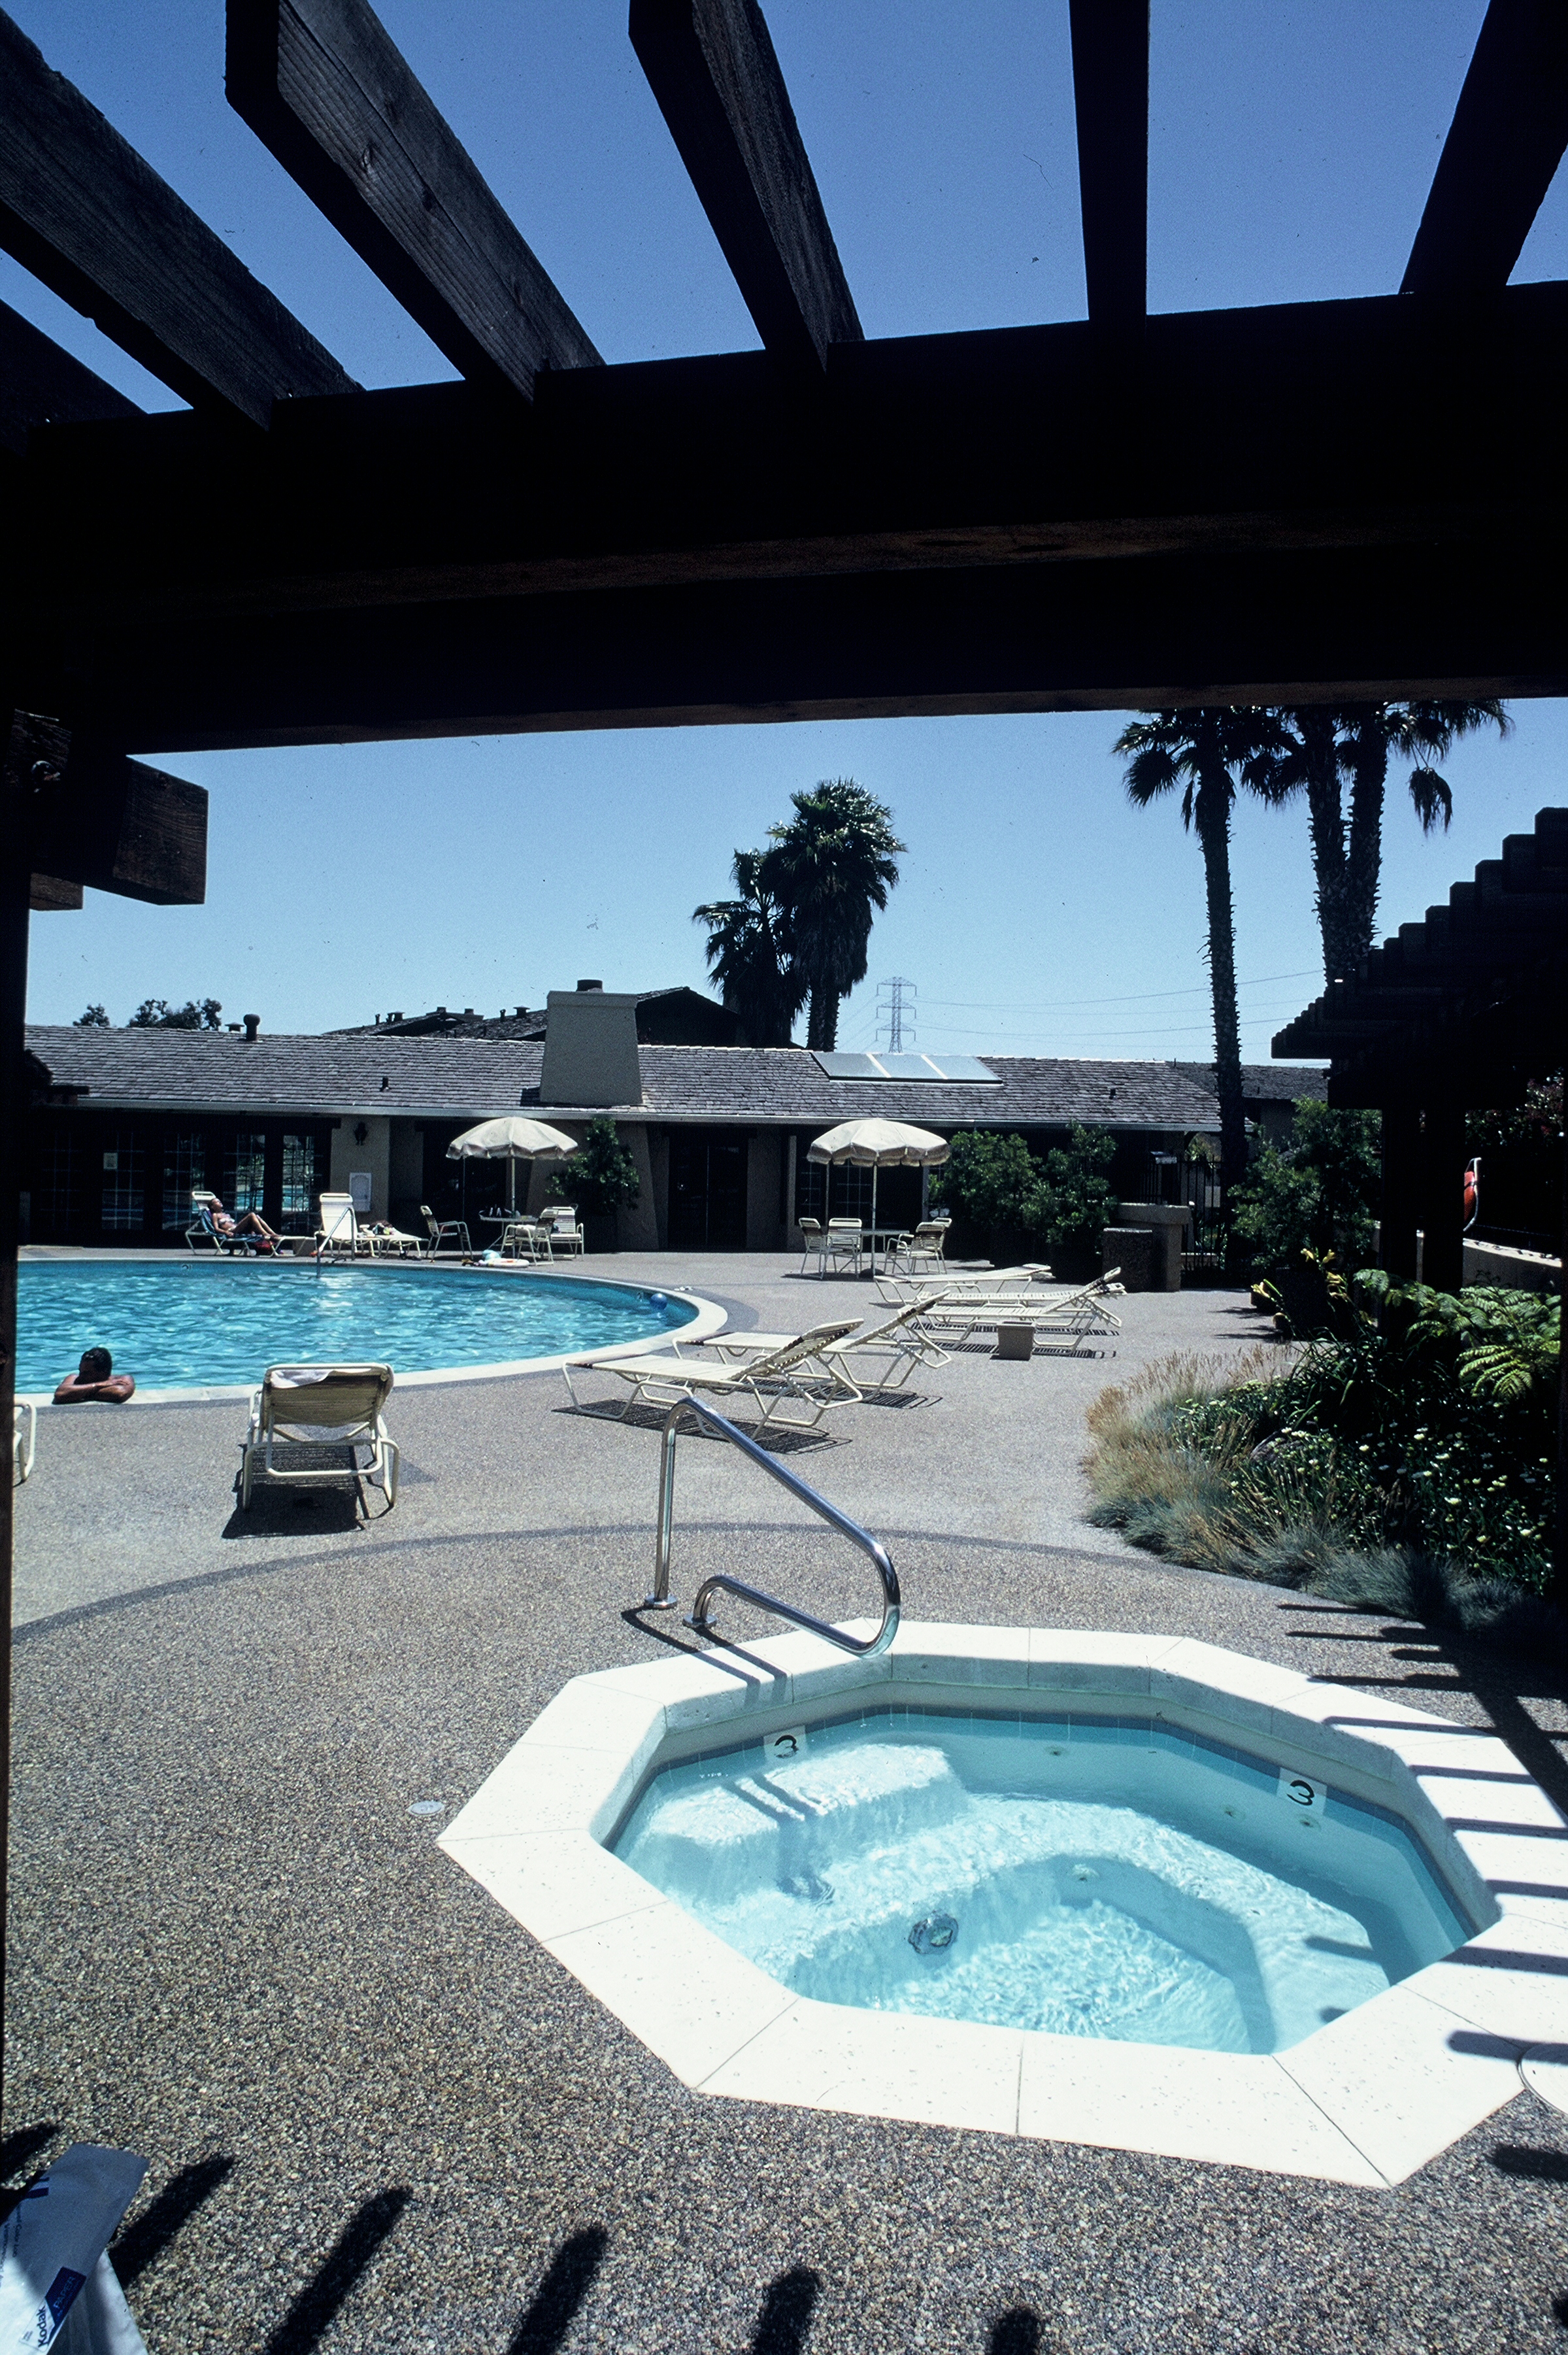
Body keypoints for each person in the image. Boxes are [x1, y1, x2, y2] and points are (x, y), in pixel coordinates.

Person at [54, 1346, 135, 1404]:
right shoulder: (74, 1378)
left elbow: (120, 1393)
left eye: (86, 1373)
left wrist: (75, 1394)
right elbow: (60, 1394)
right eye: (80, 1371)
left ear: (104, 1372)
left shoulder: (123, 1379)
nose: (81, 1376)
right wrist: (98, 1385)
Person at [209, 1199, 282, 1251]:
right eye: (217, 1202)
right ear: (212, 1207)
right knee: (251, 1215)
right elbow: (216, 1229)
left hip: (238, 1229)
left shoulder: (227, 1215)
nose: (220, 1202)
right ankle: (265, 1233)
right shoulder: (215, 1215)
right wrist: (226, 1232)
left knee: (257, 1217)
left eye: (219, 1201)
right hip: (232, 1231)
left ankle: (272, 1233)